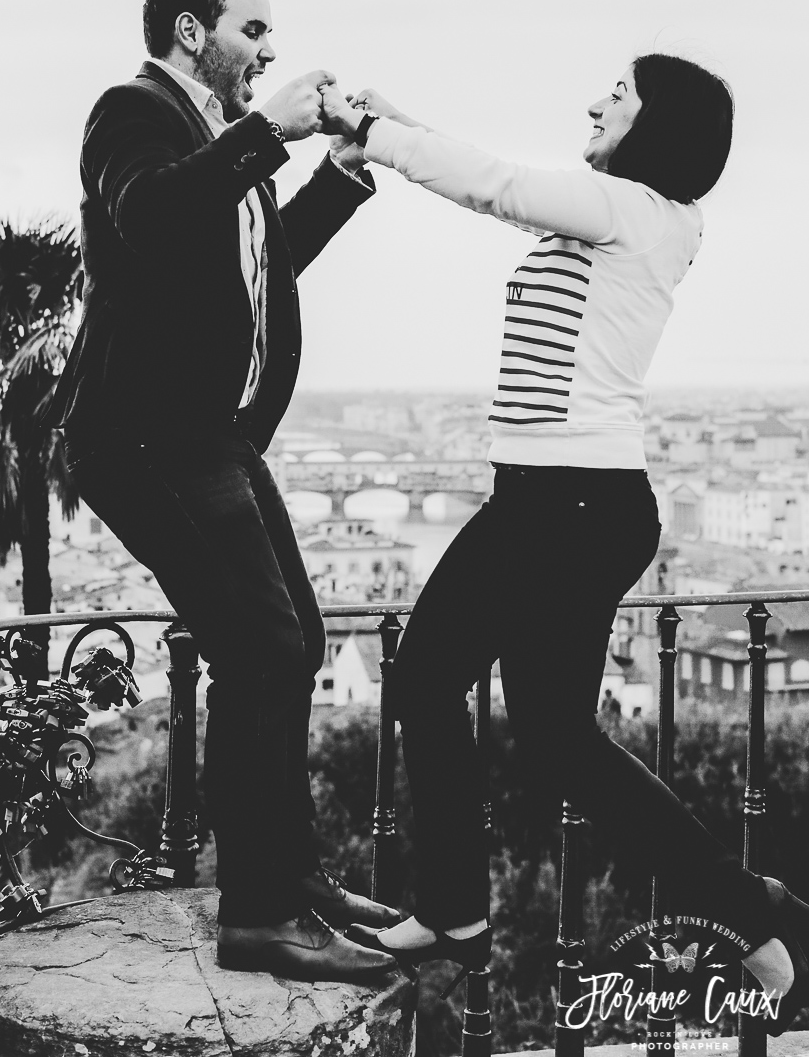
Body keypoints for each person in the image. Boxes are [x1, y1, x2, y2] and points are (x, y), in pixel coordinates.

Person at [321, 56, 809, 1033]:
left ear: (655, 125)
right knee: (553, 740)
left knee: (423, 679)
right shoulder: (634, 214)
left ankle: (456, 912)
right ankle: (748, 909)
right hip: (574, 504)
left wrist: (360, 129)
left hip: (563, 503)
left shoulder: (626, 209)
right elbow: (502, 185)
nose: (595, 102)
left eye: (618, 94)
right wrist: (387, 117)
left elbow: (495, 183)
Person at [48, 0, 399, 983]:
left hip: (211, 433)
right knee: (260, 648)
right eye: (253, 31)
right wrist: (269, 133)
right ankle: (258, 914)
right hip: (144, 436)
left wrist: (337, 168)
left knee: (294, 641)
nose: (269, 49)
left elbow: (262, 259)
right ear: (194, 32)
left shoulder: (217, 145)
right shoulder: (135, 111)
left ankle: (288, 877)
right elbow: (149, 213)